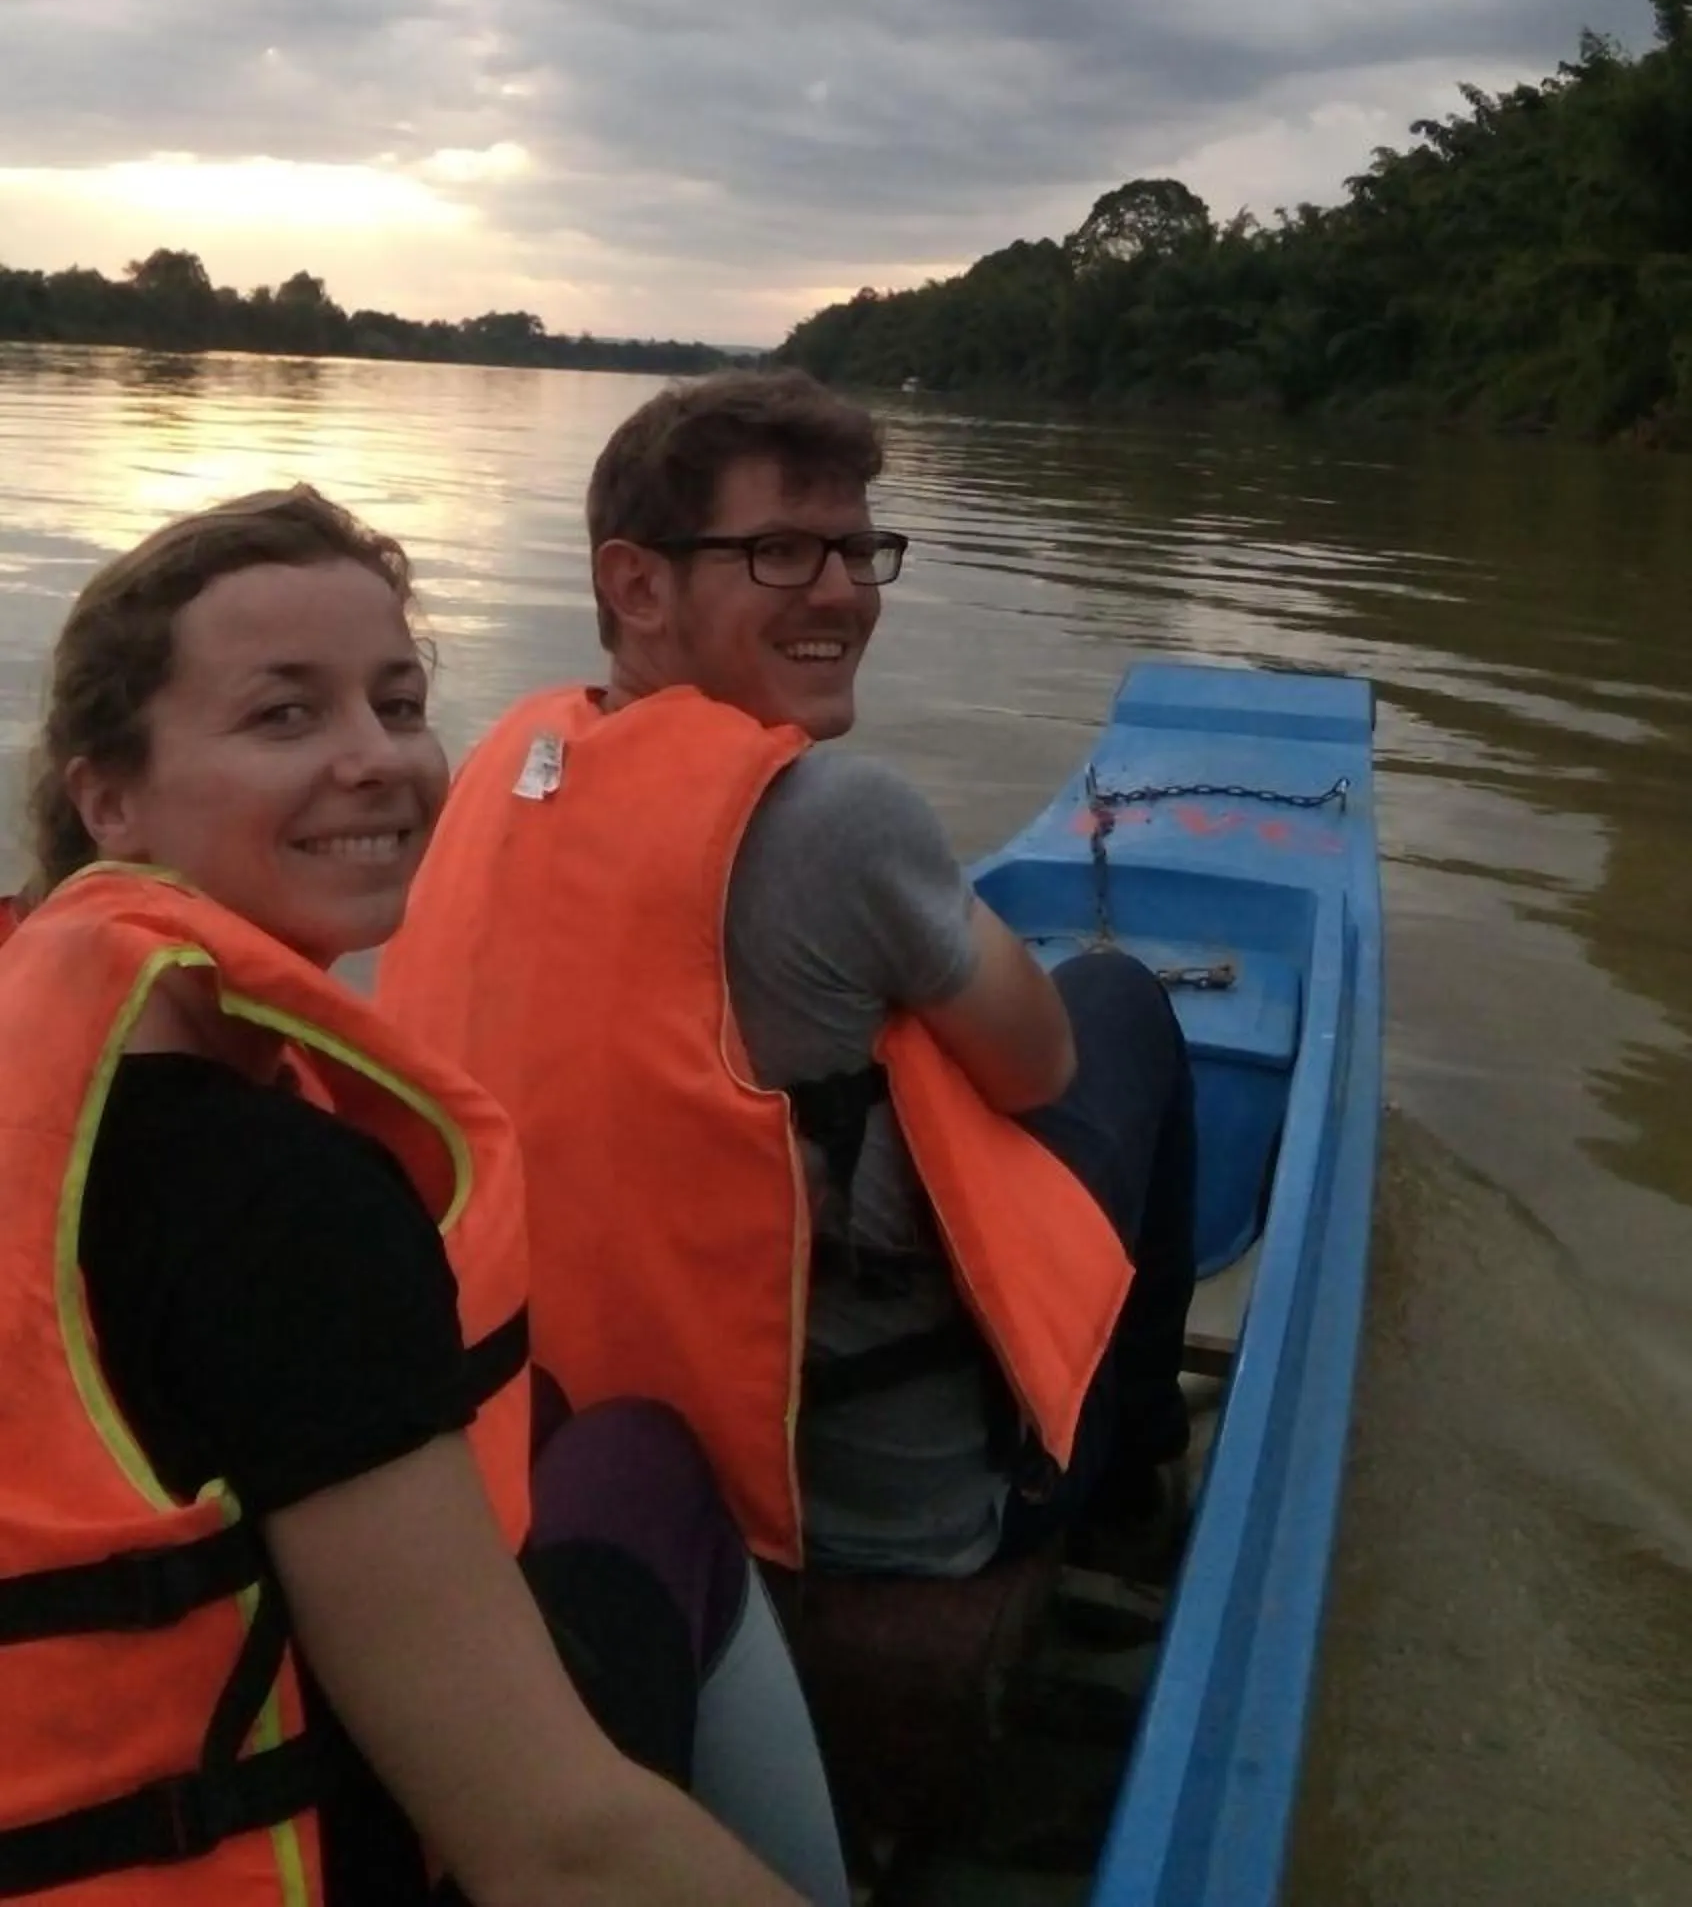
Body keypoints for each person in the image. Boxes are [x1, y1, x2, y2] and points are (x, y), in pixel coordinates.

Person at [0, 485, 847, 1907]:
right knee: (651, 1465)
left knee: (567, 1418)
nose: (376, 761)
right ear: (111, 799)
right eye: (285, 716)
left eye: (397, 704)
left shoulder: (57, 1069)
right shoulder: (274, 1201)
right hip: (294, 1863)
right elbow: (553, 1846)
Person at [380, 374, 1195, 1582]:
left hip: (545, 1436)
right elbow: (1040, 1066)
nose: (842, 594)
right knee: (1119, 1001)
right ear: (637, 584)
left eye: (860, 553)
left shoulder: (505, 771)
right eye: (779, 552)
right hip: (874, 1510)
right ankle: (1126, 1483)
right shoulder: (842, 818)